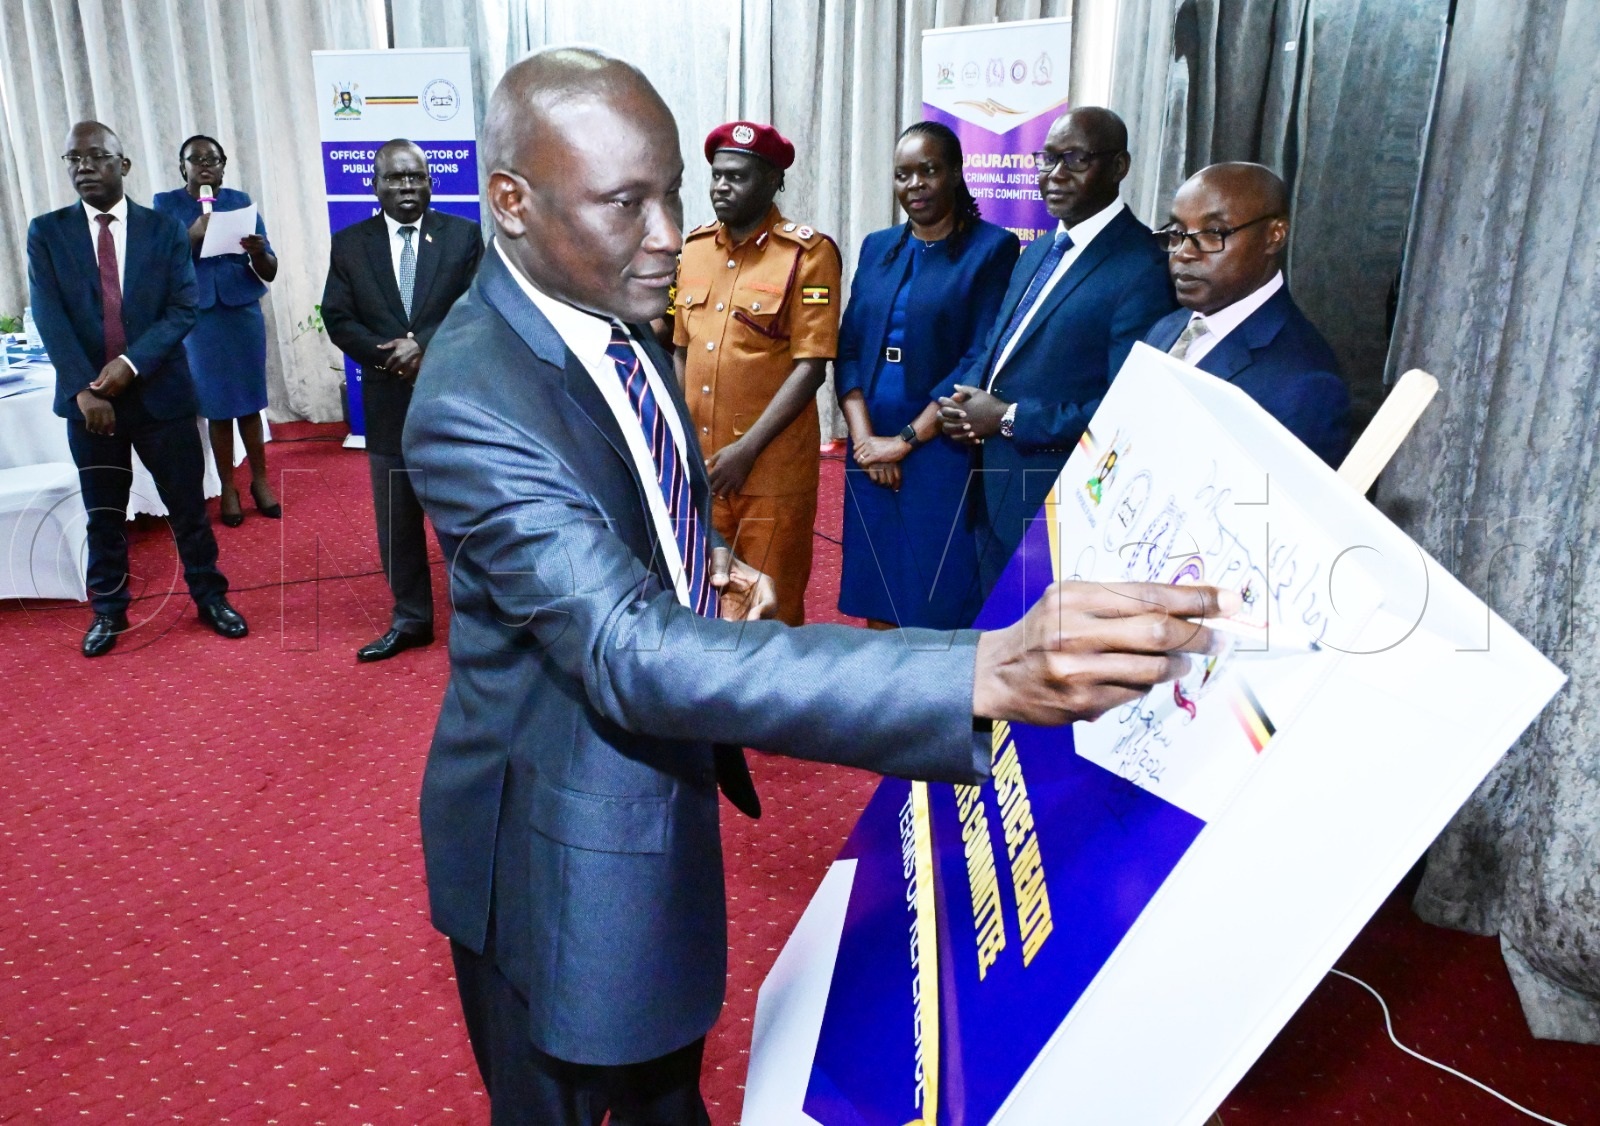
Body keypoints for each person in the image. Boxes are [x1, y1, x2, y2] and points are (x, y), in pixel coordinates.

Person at [404, 47, 1233, 1124]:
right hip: (554, 854)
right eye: (626, 204)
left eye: (672, 194)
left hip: (649, 801)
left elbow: (637, 513)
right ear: (510, 202)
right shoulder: (473, 397)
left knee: (665, 1090)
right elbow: (630, 650)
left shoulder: (608, 308)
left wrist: (710, 568)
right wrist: (978, 668)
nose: (667, 235)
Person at [27, 121, 248, 658]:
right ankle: (109, 609)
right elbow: (49, 315)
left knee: (187, 506)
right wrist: (86, 389)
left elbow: (181, 309)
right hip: (90, 407)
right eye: (74, 159)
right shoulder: (47, 232)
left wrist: (129, 364)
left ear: (122, 166)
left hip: (160, 394)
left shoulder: (164, 230)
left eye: (97, 157)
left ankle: (208, 595)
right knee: (103, 513)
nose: (84, 167)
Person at [935, 107, 1176, 593]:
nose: (1055, 175)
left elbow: (1126, 409)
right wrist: (965, 402)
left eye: (1075, 160)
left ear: (1119, 167)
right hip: (992, 486)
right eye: (1046, 160)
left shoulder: (1143, 267)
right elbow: (1001, 342)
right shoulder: (1040, 249)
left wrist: (1006, 418)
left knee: (1049, 654)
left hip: (1060, 502)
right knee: (1001, 641)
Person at [835, 121, 1019, 628]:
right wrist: (867, 440)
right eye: (902, 175)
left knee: (933, 594)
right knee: (877, 589)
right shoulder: (877, 246)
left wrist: (906, 441)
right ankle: (881, 701)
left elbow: (978, 356)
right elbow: (847, 347)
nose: (914, 185)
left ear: (956, 174)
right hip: (869, 440)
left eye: (928, 171)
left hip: (940, 445)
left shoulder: (992, 249)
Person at [671, 120, 842, 626]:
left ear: (772, 182)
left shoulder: (808, 255)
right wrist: (683, 443)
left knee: (769, 605)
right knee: (703, 597)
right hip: (701, 466)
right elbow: (680, 349)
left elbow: (811, 368)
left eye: (738, 177)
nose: (721, 187)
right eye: (717, 176)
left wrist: (745, 451)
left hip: (768, 469)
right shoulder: (695, 248)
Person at [321, 139, 483, 662]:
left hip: (453, 404)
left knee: (464, 516)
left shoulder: (462, 237)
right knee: (397, 520)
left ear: (430, 182)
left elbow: (476, 305)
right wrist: (387, 354)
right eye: (394, 178)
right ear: (375, 185)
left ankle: (481, 620)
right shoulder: (350, 244)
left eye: (415, 177)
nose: (406, 187)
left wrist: (425, 345)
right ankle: (412, 619)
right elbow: (338, 316)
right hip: (389, 401)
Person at [1146, 162, 1352, 465]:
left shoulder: (1307, 386)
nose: (1184, 252)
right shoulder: (1168, 327)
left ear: (1274, 236)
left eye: (1214, 232)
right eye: (1177, 232)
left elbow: (1271, 509)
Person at [153, 135, 279, 527]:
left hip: (241, 311)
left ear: (224, 165)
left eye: (213, 158)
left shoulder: (241, 201)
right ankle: (228, 487)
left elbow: (270, 269)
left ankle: (260, 481)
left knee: (250, 401)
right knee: (217, 406)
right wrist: (191, 234)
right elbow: (158, 264)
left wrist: (258, 251)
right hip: (199, 317)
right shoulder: (166, 205)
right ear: (182, 167)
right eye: (196, 159)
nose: (205, 164)